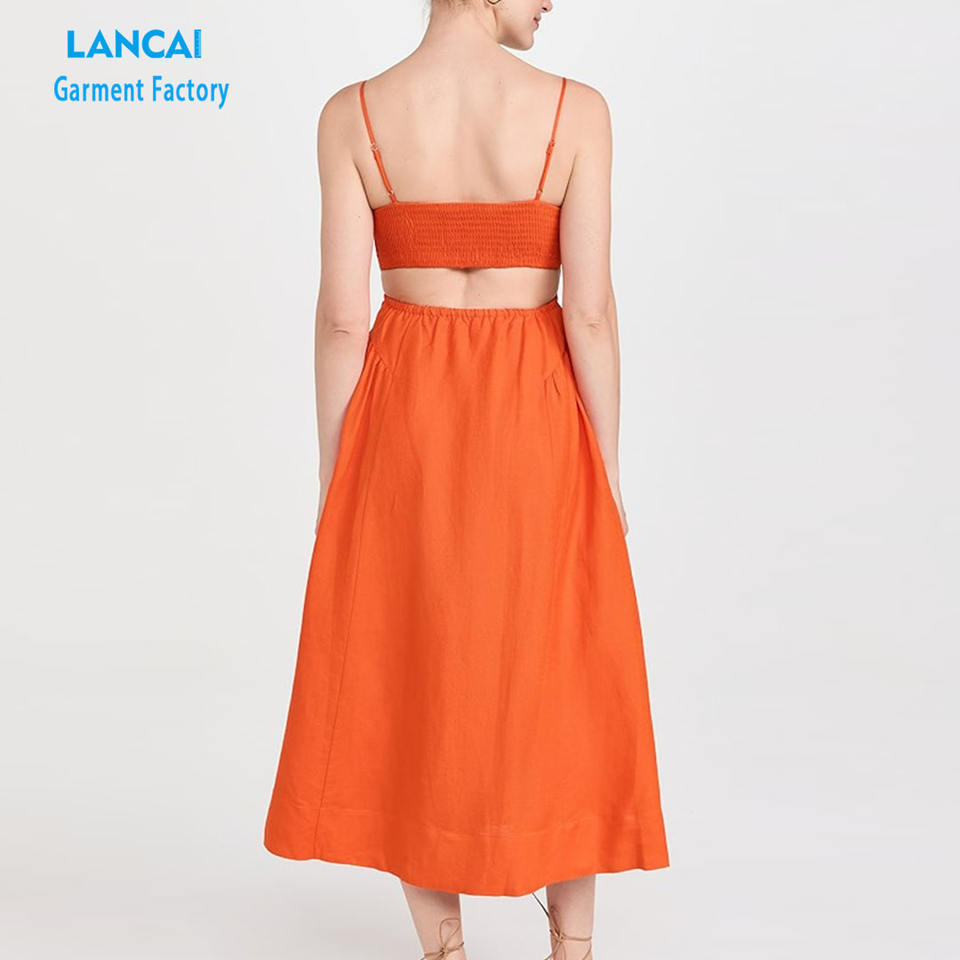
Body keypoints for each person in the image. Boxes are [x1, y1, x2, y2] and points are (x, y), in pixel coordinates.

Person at [263, 1, 670, 956]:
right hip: (536, 407)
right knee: (563, 663)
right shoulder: (576, 109)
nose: (551, 1)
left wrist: (336, 473)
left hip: (405, 417)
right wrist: (608, 465)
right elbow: (591, 310)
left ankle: (444, 948)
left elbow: (340, 320)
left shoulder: (352, 114)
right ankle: (572, 948)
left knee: (414, 661)